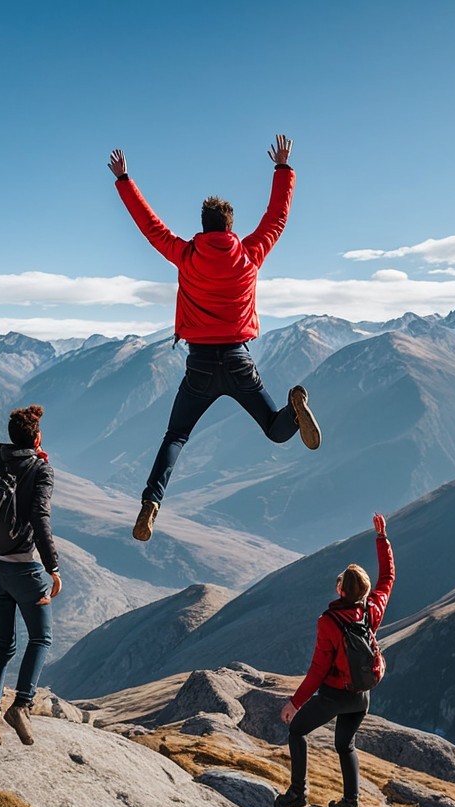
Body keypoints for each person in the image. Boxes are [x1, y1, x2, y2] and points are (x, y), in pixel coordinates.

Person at [107, 135, 322, 542]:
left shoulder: (186, 254)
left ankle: (152, 502)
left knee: (175, 437)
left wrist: (124, 179)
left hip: (200, 366)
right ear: (231, 227)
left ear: (202, 227)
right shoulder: (250, 254)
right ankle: (295, 411)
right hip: (240, 361)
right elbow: (277, 218)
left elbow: (150, 226)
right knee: (275, 430)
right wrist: (282, 169)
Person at [0, 360, 61, 746]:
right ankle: (21, 705)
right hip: (24, 570)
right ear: (37, 439)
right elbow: (40, 517)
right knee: (40, 639)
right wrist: (52, 567)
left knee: (3, 644)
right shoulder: (41, 469)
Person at [274, 512, 394, 807]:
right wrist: (382, 539)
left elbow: (317, 669)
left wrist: (294, 703)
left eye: (340, 580)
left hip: (334, 694)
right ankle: (350, 804)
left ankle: (298, 791)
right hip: (362, 695)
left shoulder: (328, 622)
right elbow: (388, 578)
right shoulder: (372, 609)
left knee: (298, 731)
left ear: (341, 591)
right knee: (345, 744)